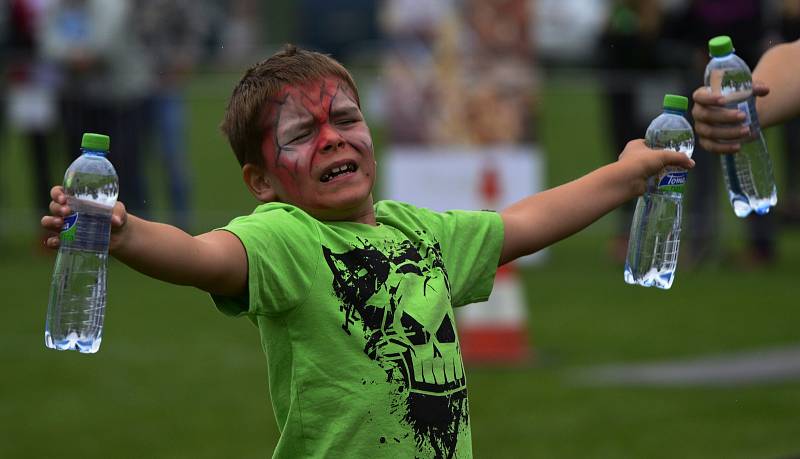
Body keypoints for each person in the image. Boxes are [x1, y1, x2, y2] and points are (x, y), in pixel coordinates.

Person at [40, 45, 694, 457]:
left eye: (346, 120)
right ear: (262, 181)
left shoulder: (419, 232)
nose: (333, 139)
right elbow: (203, 256)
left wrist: (627, 173)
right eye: (304, 132)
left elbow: (522, 223)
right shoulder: (286, 236)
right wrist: (124, 233)